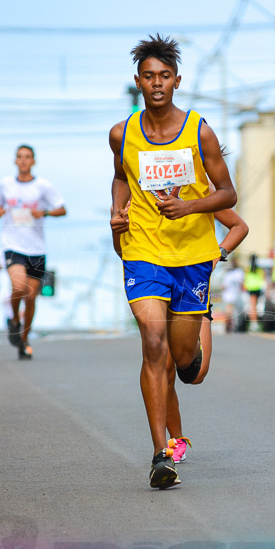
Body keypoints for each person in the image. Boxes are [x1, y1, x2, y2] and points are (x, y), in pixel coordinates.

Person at [108, 33, 237, 490]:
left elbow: (228, 194)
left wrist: (190, 208)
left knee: (182, 359)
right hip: (143, 251)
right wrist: (116, 214)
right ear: (138, 82)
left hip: (192, 256)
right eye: (149, 76)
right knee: (152, 340)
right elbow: (121, 180)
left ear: (177, 81)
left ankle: (193, 348)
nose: (157, 83)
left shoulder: (200, 131)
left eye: (164, 75)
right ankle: (161, 451)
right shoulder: (121, 134)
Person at [167, 208, 248, 464]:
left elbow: (239, 227)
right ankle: (173, 440)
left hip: (194, 286)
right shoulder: (144, 188)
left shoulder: (202, 189)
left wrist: (217, 255)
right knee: (163, 369)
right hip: (158, 281)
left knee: (194, 374)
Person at [0, 144, 66, 360]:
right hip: (13, 245)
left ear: (33, 161)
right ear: (15, 161)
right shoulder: (5, 184)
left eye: (27, 157)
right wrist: (0, 210)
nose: (23, 161)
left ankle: (24, 341)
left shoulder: (43, 186)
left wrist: (43, 212)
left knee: (31, 297)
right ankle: (14, 320)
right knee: (18, 287)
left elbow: (62, 209)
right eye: (20, 157)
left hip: (36, 249)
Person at [243, 254, 264, 332]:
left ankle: (254, 323)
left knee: (252, 306)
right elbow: (262, 278)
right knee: (255, 306)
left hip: (251, 288)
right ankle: (255, 322)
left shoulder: (248, 269)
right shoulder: (259, 269)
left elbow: (245, 279)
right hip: (258, 288)